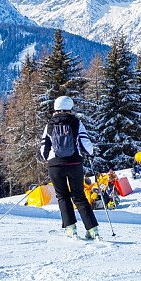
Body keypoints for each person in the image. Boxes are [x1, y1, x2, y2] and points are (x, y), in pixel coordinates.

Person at [39, 95, 99, 240]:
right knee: (79, 196)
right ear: (70, 107)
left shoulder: (49, 125)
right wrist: (89, 154)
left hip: (55, 165)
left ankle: (71, 229)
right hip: (74, 164)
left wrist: (49, 159)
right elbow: (87, 145)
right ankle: (92, 230)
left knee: (62, 196)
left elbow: (43, 149)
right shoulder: (77, 123)